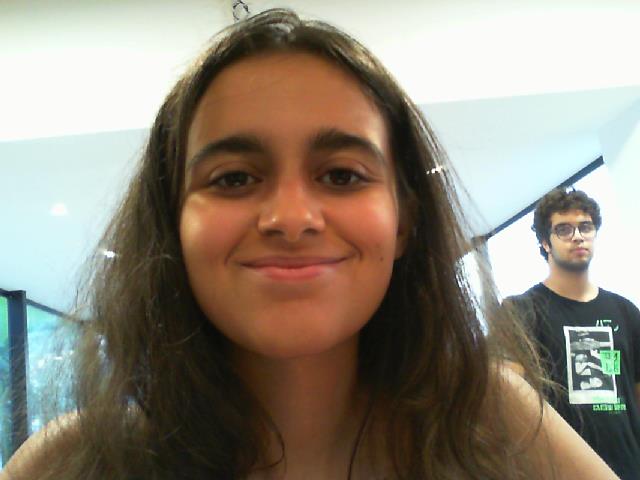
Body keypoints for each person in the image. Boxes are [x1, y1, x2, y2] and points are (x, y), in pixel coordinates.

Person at [2, 10, 618, 480]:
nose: (291, 219)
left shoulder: (494, 424)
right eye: (233, 179)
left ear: (403, 222)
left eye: (342, 175)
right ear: (172, 225)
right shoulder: (71, 463)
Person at [504, 188, 640, 479]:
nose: (578, 236)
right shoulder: (521, 310)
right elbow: (506, 395)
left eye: (585, 227)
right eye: (563, 229)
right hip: (559, 471)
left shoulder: (626, 311)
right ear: (545, 243)